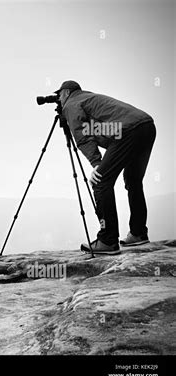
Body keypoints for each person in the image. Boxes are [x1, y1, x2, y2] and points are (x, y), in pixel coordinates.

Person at [56, 80, 156, 254]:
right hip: (146, 125)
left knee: (100, 182)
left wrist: (96, 163)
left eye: (59, 95)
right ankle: (138, 233)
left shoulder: (71, 104)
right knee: (133, 179)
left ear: (65, 93)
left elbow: (82, 135)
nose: (59, 99)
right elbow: (94, 130)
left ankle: (108, 240)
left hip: (127, 131)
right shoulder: (89, 98)